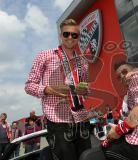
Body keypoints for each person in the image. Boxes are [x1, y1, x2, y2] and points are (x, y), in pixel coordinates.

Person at [25, 19, 91, 160]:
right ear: (60, 35)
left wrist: (85, 91)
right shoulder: (45, 55)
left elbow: (86, 88)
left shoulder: (83, 62)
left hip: (80, 118)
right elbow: (29, 86)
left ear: (78, 37)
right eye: (66, 34)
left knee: (87, 157)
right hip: (57, 120)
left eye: (74, 35)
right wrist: (49, 89)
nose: (70, 38)